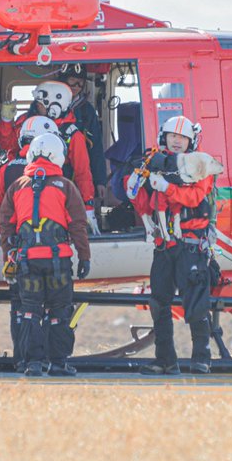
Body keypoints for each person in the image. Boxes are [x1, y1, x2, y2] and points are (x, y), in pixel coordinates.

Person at [128, 116, 218, 375]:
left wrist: (167, 187)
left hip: (191, 246)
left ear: (191, 141)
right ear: (163, 137)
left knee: (196, 304)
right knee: (159, 303)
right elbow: (146, 205)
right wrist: (137, 187)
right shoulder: (153, 163)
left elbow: (194, 197)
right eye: (172, 136)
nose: (177, 140)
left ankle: (202, 358)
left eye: (182, 137)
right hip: (164, 246)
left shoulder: (201, 164)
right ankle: (165, 360)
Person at [0, 133, 92, 377]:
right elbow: (78, 225)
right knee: (59, 311)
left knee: (30, 310)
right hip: (57, 261)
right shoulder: (66, 187)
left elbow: (6, 225)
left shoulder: (17, 186)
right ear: (57, 156)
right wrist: (84, 257)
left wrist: (9, 257)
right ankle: (58, 363)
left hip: (27, 261)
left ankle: (33, 363)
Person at [0, 114, 59, 361]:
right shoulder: (56, 172)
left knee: (20, 306)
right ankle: (46, 358)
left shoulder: (7, 170)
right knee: (47, 306)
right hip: (50, 253)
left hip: (17, 250)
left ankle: (22, 358)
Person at [0, 80, 97, 231]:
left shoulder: (72, 133)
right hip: (23, 189)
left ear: (55, 106)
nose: (36, 106)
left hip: (56, 194)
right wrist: (6, 121)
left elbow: (82, 172)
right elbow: (8, 145)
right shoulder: (26, 122)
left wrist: (88, 206)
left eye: (40, 104)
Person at [59, 64, 107, 199]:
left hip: (80, 172)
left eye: (80, 82)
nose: (76, 85)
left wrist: (100, 181)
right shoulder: (47, 105)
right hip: (53, 169)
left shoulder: (87, 110)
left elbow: (96, 146)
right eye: (72, 80)